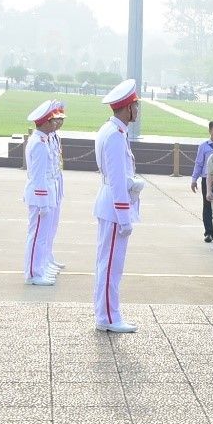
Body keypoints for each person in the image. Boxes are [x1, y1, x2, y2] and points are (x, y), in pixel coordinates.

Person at [93, 80, 142, 333]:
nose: (137, 110)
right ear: (127, 108)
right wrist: (125, 218)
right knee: (111, 265)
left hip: (110, 205)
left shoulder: (113, 131)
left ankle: (107, 314)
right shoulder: (114, 135)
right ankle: (109, 317)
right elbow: (116, 181)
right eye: (135, 105)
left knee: (108, 264)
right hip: (114, 208)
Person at [23, 101, 61, 286]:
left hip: (46, 194)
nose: (55, 124)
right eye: (52, 121)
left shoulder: (43, 140)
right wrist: (43, 202)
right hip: (40, 197)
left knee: (43, 236)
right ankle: (33, 273)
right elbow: (38, 176)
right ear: (45, 122)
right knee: (36, 235)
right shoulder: (38, 143)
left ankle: (40, 268)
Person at [191, 120, 213, 243]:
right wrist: (194, 179)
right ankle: (209, 232)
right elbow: (199, 163)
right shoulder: (204, 146)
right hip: (207, 179)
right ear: (210, 131)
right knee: (207, 205)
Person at [45, 101, 66, 276]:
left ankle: (47, 258)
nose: (59, 122)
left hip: (55, 186)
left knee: (51, 228)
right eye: (56, 119)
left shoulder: (53, 137)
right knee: (42, 232)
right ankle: (40, 266)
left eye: (61, 119)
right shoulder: (41, 140)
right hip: (47, 190)